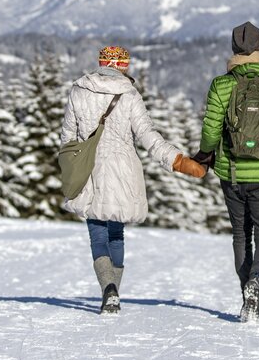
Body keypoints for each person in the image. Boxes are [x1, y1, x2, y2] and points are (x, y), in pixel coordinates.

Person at [60, 45, 206, 314]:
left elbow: (68, 136)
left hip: (89, 170)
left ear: (101, 63)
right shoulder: (129, 96)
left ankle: (107, 288)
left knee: (97, 233)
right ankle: (113, 291)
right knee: (116, 232)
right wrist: (177, 161)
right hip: (124, 170)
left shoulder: (79, 91)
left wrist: (72, 162)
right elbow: (149, 137)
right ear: (123, 66)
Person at [194, 21, 259, 321]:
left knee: (241, 236)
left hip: (233, 173)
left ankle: (246, 294)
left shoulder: (222, 85)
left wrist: (204, 156)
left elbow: (211, 131)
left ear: (234, 50)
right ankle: (258, 282)